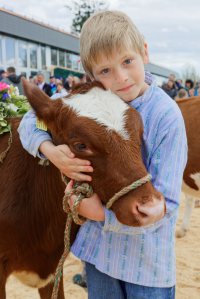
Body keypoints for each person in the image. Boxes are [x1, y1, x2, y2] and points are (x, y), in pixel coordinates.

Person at [18, 11, 187, 299]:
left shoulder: (166, 115)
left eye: (127, 61)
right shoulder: (91, 101)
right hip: (100, 256)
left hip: (146, 265)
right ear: (91, 76)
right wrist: (51, 151)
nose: (120, 78)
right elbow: (28, 120)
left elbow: (167, 203)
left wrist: (91, 211)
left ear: (144, 52)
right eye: (105, 71)